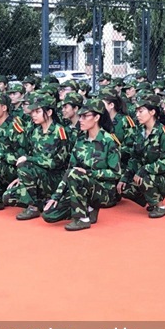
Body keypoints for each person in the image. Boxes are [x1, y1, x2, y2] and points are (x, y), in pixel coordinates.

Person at [43, 98, 122, 231]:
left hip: (104, 191)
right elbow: (70, 170)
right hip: (81, 187)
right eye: (80, 116)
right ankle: (89, 209)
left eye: (85, 116)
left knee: (76, 174)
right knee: (49, 215)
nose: (81, 120)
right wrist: (56, 196)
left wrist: (89, 173)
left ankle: (82, 218)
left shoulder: (108, 140)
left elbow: (115, 173)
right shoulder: (80, 140)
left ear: (97, 117)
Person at [7, 93, 70, 220]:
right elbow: (32, 155)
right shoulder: (36, 131)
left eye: (38, 111)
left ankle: (33, 207)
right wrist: (22, 177)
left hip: (55, 178)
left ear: (49, 112)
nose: (33, 115)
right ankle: (42, 201)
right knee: (8, 197)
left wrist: (29, 161)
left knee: (24, 165)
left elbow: (56, 163)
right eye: (32, 112)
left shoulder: (60, 132)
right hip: (39, 176)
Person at [117, 94, 165, 218]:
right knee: (124, 187)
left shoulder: (164, 132)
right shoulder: (140, 132)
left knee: (144, 178)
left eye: (141, 111)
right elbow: (135, 158)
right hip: (150, 174)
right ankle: (151, 200)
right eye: (136, 111)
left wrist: (144, 169)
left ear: (152, 112)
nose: (137, 115)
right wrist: (125, 178)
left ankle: (160, 206)